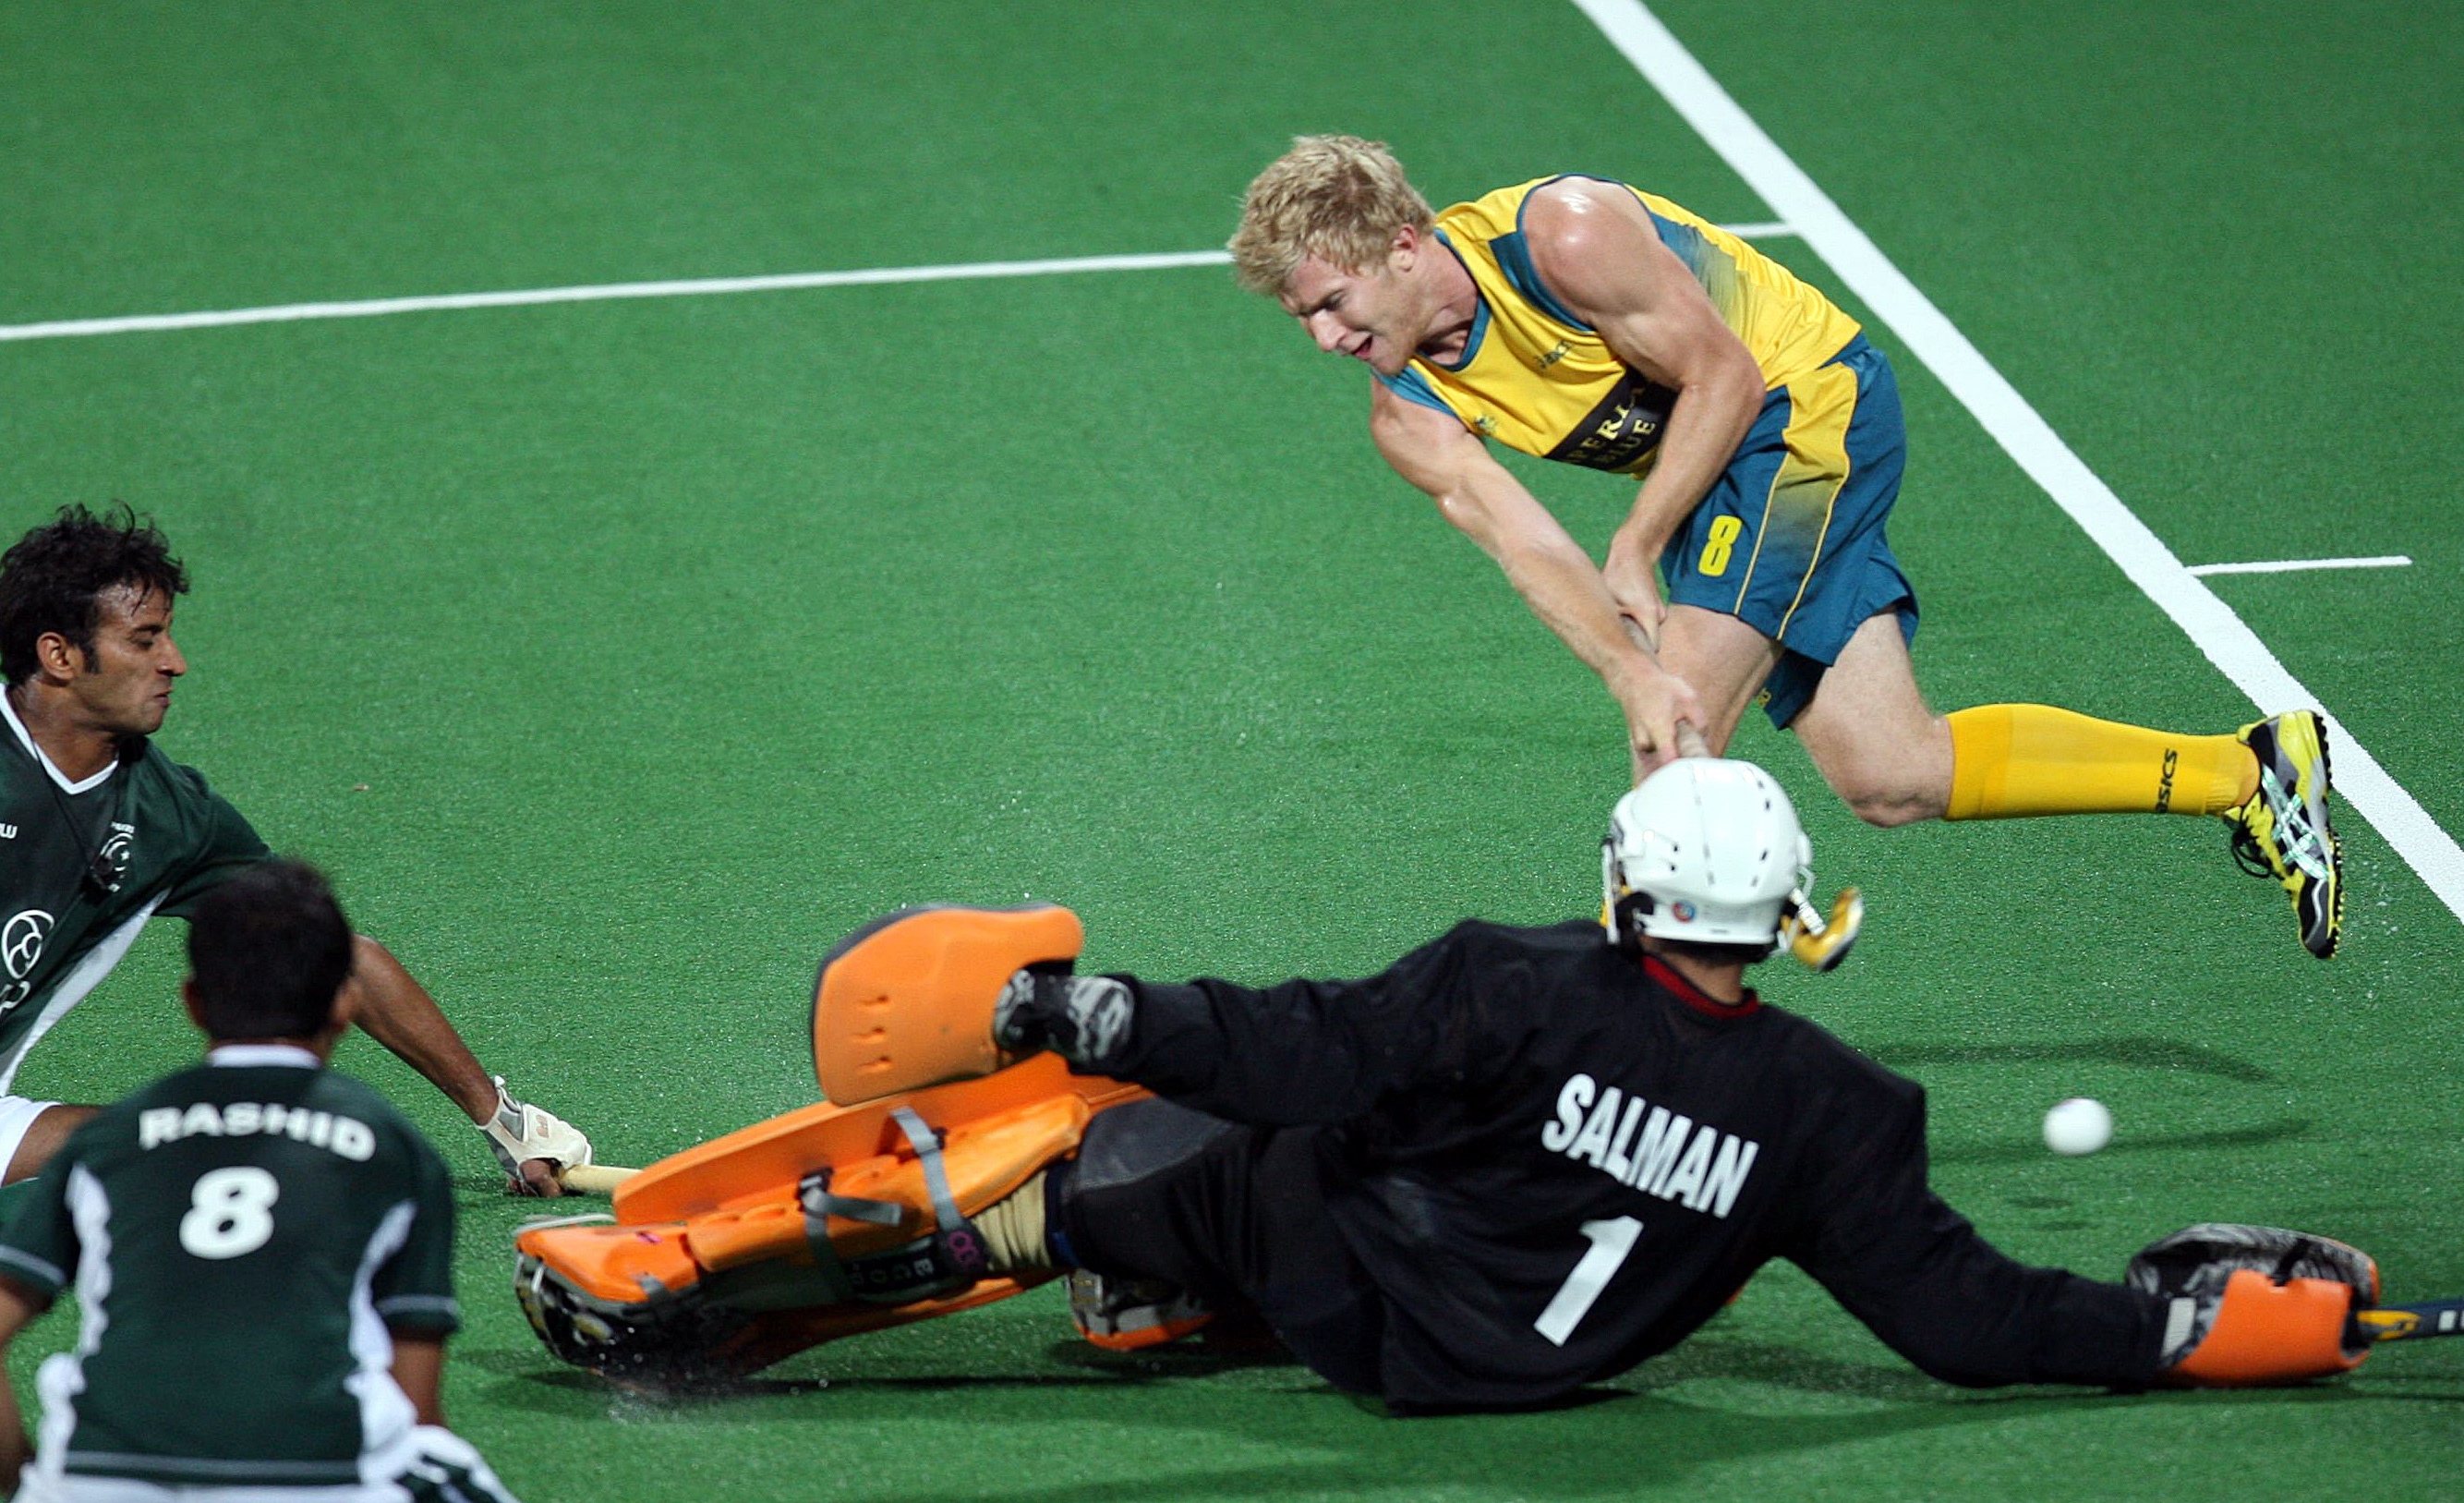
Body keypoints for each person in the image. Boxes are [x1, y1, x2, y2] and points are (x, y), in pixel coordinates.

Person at [514, 760, 2379, 1408]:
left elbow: (1298, 1048)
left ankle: (692, 1280)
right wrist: (2182, 1337)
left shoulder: (1518, 980)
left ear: (1628, 884)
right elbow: (1963, 1320)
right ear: (1782, 915)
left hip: (1361, 1293)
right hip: (1529, 1370)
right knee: (1294, 1158)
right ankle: (1181, 1303)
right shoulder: (1833, 1113)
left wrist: (1090, 1010)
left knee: (1108, 1151)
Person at [1224, 135, 2340, 958]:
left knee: (1681, 731)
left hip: (1806, 408)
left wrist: (1639, 542)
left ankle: (1650, 1046)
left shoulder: (1561, 237)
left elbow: (1727, 378)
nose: (1325, 339)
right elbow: (1525, 549)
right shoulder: (1405, 411)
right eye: (1302, 321)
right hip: (1723, 475)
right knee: (1891, 775)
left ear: (1406, 246)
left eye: (1331, 302)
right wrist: (1623, 666)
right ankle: (2247, 771)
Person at [0, 504, 589, 1192]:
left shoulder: (173, 817)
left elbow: (331, 953)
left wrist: (500, 1119)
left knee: (224, 1152)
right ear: (60, 655)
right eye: (145, 639)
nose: (176, 662)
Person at [0, 860, 521, 1501]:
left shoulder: (106, 1140)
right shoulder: (393, 1149)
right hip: (321, 1475)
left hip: (99, 1476)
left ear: (193, 1001)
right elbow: (417, 1410)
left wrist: (26, 1476)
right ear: (345, 1002)